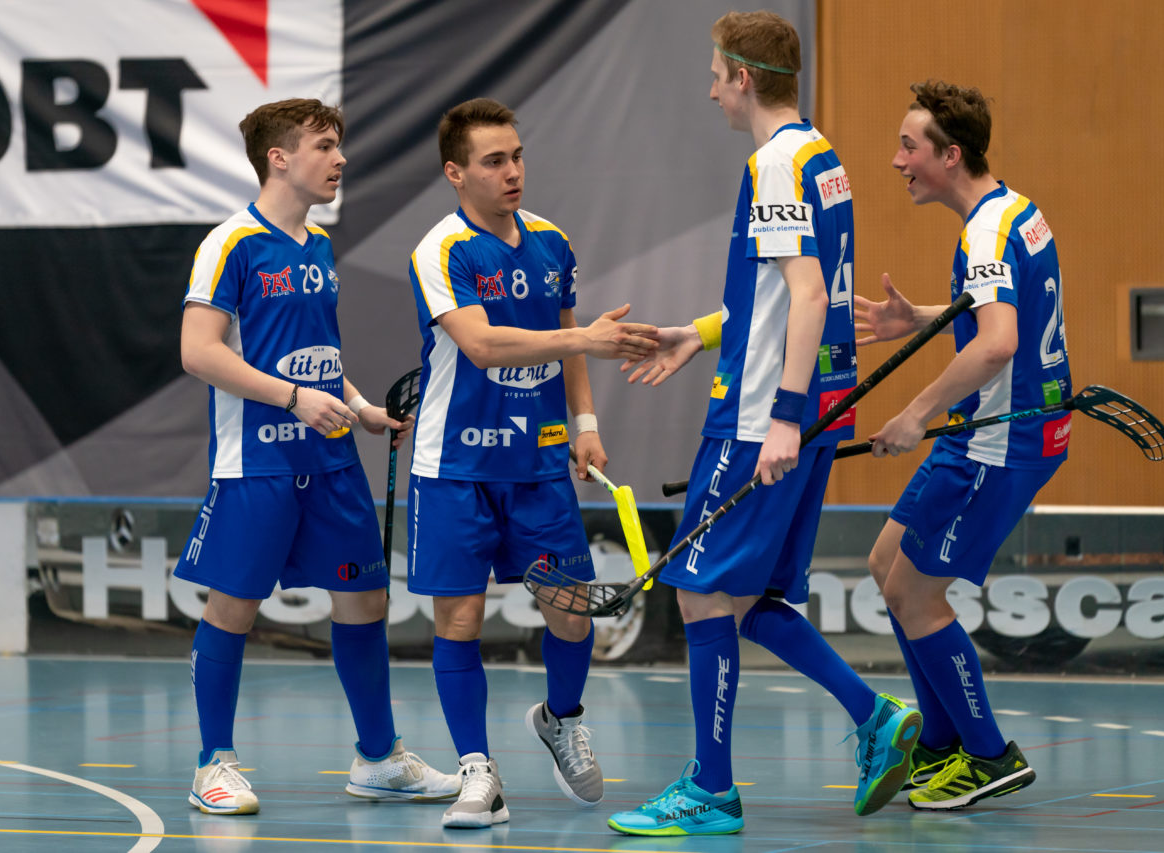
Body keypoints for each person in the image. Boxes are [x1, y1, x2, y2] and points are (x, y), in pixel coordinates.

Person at [607, 12, 921, 836]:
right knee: (748, 598)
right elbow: (782, 294)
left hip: (760, 417)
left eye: (715, 73)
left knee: (704, 595)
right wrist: (697, 332)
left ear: (743, 77)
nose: (709, 88)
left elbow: (812, 296)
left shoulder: (774, 163)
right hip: (813, 403)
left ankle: (710, 788)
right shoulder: (821, 156)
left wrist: (779, 417)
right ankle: (876, 717)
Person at [174, 98, 459, 815]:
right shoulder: (230, 243)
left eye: (339, 146)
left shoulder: (318, 246)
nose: (339, 159)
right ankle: (214, 762)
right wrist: (294, 398)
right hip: (256, 465)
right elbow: (198, 352)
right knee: (232, 606)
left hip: (330, 462)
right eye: (325, 145)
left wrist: (358, 405)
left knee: (365, 600)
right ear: (279, 156)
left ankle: (377, 757)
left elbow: (322, 357)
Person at [405, 97, 658, 828]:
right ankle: (478, 772)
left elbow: (567, 333)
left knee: (572, 615)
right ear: (456, 172)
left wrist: (584, 422)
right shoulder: (442, 249)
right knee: (459, 621)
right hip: (454, 468)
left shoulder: (551, 242)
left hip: (541, 465)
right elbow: (483, 345)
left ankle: (560, 717)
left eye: (517, 156)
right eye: (494, 161)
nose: (513, 171)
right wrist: (582, 346)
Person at [856, 80, 1070, 810]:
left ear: (951, 154)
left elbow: (1000, 341)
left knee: (915, 592)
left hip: (999, 439)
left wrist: (916, 411)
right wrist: (917, 318)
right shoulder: (1014, 209)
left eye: (909, 146)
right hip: (1001, 429)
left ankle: (989, 754)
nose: (897, 160)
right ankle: (943, 746)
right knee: (888, 565)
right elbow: (1003, 309)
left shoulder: (982, 232)